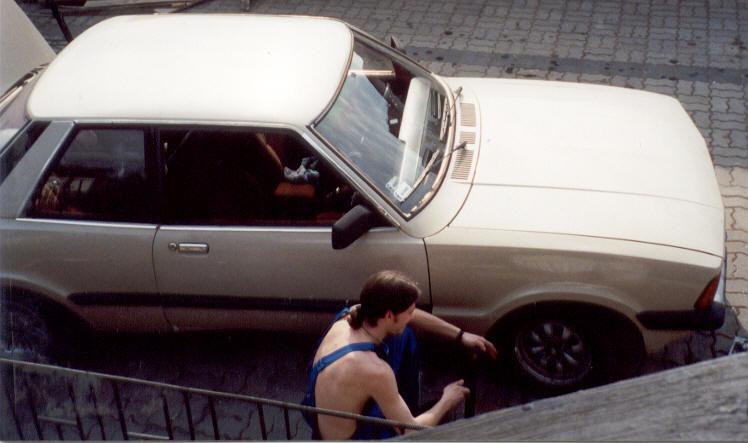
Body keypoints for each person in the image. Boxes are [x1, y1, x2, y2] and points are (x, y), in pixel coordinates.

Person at [302, 270, 498, 440]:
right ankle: (405, 412)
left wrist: (460, 335)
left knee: (404, 335)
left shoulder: (349, 318)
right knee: (427, 422)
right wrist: (447, 400)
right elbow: (411, 430)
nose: (412, 316)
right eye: (409, 312)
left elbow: (410, 316)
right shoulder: (375, 371)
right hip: (351, 437)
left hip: (323, 411)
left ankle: (402, 406)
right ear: (389, 315)